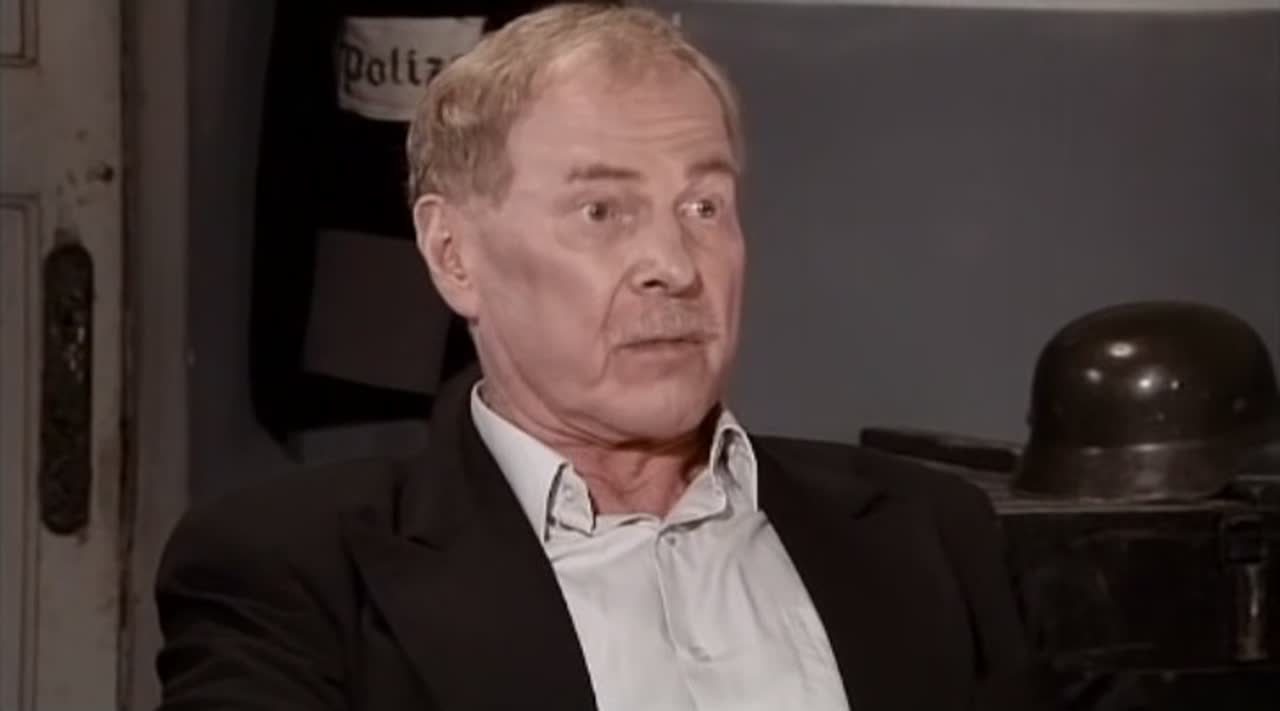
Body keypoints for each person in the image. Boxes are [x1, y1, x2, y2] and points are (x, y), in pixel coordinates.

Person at [154, 4, 1041, 709]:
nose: (674, 266)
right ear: (454, 254)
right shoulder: (293, 572)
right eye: (602, 211)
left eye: (703, 207)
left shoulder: (931, 535)